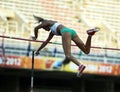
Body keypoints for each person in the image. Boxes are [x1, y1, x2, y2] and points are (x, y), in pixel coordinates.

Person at [31, 15, 99, 77]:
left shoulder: (46, 22)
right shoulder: (52, 32)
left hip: (66, 33)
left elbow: (36, 28)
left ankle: (80, 65)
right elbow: (46, 42)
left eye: (44, 28)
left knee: (68, 55)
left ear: (44, 25)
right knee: (86, 51)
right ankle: (90, 35)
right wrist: (38, 50)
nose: (45, 30)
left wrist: (35, 37)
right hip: (72, 32)